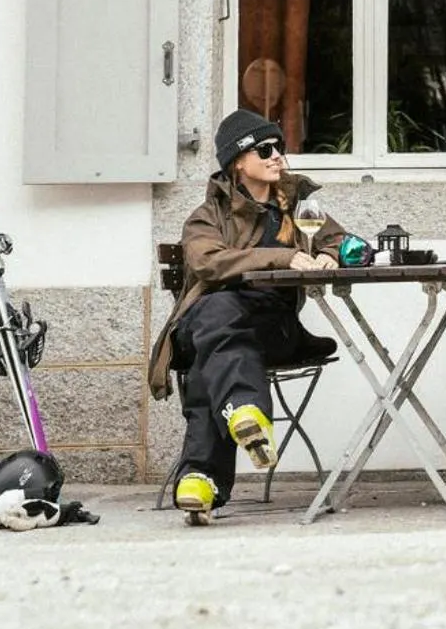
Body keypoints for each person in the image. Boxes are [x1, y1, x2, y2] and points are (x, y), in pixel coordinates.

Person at [148, 109, 346, 525]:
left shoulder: (298, 207)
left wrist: (329, 253)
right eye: (265, 149)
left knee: (214, 352)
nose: (278, 156)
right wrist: (286, 256)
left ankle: (202, 476)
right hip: (206, 323)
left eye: (280, 148)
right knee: (220, 315)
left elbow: (343, 240)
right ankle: (242, 411)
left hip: (272, 327)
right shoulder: (208, 217)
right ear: (238, 161)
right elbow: (207, 262)